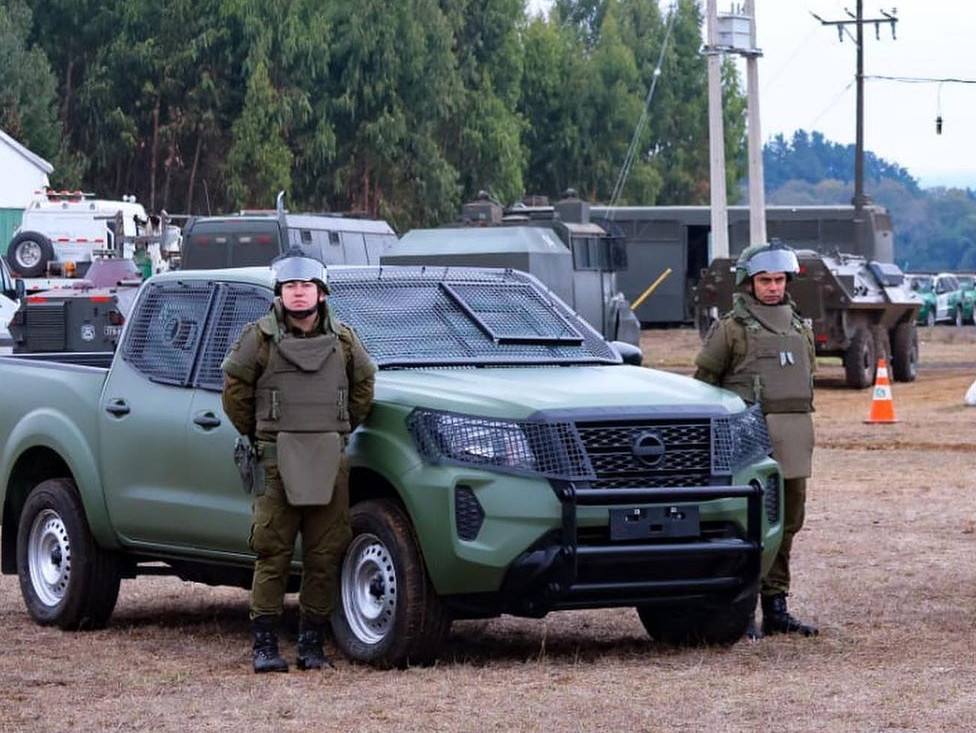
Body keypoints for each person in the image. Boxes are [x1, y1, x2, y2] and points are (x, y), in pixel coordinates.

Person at [221, 249, 376, 672]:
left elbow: (364, 387)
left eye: (307, 286)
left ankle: (311, 645)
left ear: (322, 293)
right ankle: (265, 646)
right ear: (280, 292)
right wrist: (260, 435)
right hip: (275, 462)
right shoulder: (259, 337)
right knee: (272, 553)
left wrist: (336, 428)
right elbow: (235, 392)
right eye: (291, 286)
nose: (299, 294)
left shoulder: (344, 339)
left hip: (329, 461)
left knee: (325, 556)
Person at [692, 240, 819, 638]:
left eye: (780, 279)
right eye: (765, 280)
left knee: (789, 524)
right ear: (748, 282)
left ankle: (776, 606)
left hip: (796, 437)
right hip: (750, 440)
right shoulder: (731, 329)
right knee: (749, 526)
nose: (773, 287)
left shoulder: (801, 326)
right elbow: (703, 388)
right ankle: (740, 609)